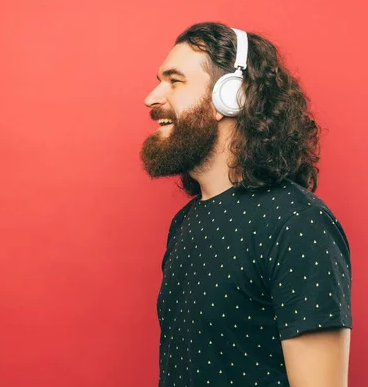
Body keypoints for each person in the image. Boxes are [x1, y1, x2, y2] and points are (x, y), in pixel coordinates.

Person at [140, 22, 352, 387]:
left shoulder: (298, 223)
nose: (151, 98)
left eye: (175, 81)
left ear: (231, 96)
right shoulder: (185, 223)